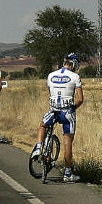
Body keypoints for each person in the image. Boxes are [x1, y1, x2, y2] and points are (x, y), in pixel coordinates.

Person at [31, 53, 83, 183]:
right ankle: (68, 173)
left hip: (53, 110)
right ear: (74, 64)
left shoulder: (51, 75)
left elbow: (50, 93)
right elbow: (80, 99)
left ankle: (38, 147)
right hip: (67, 112)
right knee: (68, 142)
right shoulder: (75, 77)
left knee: (43, 125)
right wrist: (73, 107)